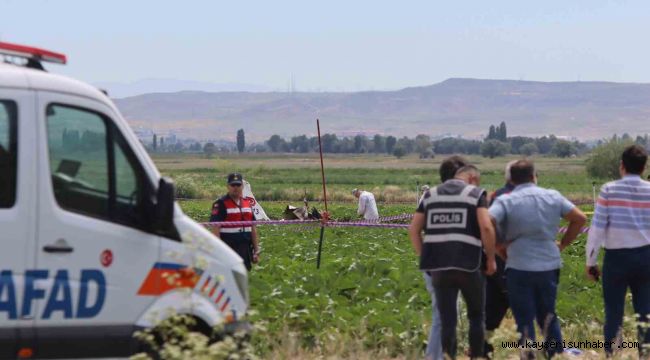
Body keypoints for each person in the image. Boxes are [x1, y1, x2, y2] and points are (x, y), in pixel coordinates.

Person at [489, 160, 586, 359]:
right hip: (548, 264)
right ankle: (555, 353)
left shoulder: (506, 200)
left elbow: (487, 221)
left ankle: (528, 355)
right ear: (534, 176)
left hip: (518, 264)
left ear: (510, 179)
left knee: (523, 317)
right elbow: (580, 218)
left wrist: (499, 246)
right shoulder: (552, 196)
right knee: (548, 314)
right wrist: (563, 243)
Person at [409, 161, 497, 359]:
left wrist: (425, 258)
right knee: (476, 316)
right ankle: (476, 356)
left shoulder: (430, 194)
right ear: (472, 178)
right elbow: (486, 227)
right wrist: (491, 259)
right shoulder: (476, 194)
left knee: (448, 320)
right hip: (469, 265)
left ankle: (449, 356)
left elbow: (414, 230)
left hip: (439, 268)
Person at [585, 145, 650, 356]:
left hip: (616, 259)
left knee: (614, 312)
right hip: (645, 256)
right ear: (644, 167)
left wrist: (591, 261)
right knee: (646, 313)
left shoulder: (609, 190)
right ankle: (645, 353)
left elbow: (597, 228)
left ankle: (612, 353)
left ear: (622, 166)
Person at [483, 160, 516, 358]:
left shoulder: (493, 196)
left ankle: (481, 348)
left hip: (494, 258)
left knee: (492, 306)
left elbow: (485, 226)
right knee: (526, 307)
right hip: (517, 259)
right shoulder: (529, 196)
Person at [210, 173, 260, 271]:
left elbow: (253, 228)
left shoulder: (247, 203)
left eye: (238, 185)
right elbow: (216, 230)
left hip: (245, 249)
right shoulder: (220, 204)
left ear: (242, 186)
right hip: (228, 248)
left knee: (244, 277)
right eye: (233, 185)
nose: (235, 188)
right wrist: (219, 251)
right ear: (228, 186)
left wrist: (256, 250)